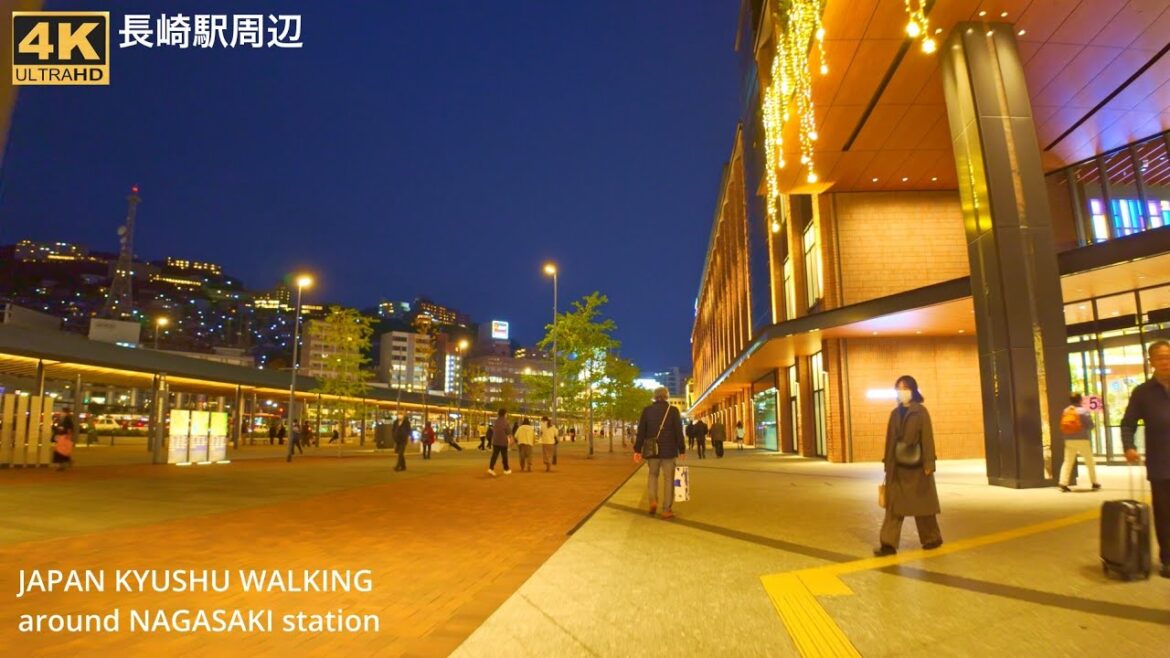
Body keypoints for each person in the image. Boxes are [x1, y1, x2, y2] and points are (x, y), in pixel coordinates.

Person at [875, 375, 942, 556]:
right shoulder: (894, 414)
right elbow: (889, 442)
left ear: (913, 390)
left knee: (923, 507)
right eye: (899, 387)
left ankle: (932, 538)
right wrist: (887, 464)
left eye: (905, 387)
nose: (902, 391)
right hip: (897, 468)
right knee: (894, 507)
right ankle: (888, 544)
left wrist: (929, 463)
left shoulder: (921, 412)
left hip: (918, 467)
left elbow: (927, 439)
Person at [1120, 340, 1170, 579]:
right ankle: (1168, 560)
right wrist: (1129, 447)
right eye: (1161, 358)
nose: (1166, 362)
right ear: (1152, 362)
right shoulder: (1143, 393)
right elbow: (1127, 423)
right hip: (1161, 464)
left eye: (1169, 357)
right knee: (1164, 514)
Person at [634, 387, 686, 519]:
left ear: (654, 396)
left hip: (652, 450)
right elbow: (678, 431)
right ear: (667, 396)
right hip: (669, 451)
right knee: (669, 479)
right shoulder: (673, 411)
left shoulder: (647, 411)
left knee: (652, 475)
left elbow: (641, 432)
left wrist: (637, 449)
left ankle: (652, 500)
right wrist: (682, 449)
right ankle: (666, 509)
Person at [1058, 393, 1100, 492]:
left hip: (1068, 439)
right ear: (1080, 400)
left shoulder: (1066, 410)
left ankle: (1063, 482)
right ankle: (1094, 482)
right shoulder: (1083, 411)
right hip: (1082, 439)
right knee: (1089, 461)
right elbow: (1090, 425)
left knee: (1067, 461)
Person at [487, 408, 512, 476]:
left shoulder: (496, 421)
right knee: (504, 456)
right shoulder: (506, 421)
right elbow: (508, 432)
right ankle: (506, 469)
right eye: (506, 414)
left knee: (494, 455)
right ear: (504, 414)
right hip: (503, 441)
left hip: (495, 441)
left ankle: (491, 468)